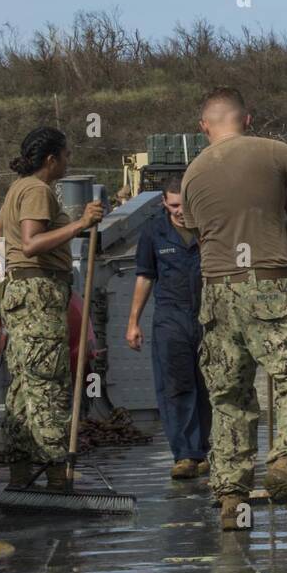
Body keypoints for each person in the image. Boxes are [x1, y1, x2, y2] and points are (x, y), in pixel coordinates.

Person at [180, 87, 287, 534]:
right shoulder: (276, 152)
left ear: (203, 127)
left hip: (215, 294)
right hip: (268, 283)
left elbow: (197, 234)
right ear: (247, 118)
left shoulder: (191, 173)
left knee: (228, 397)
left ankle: (231, 500)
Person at [0, 127, 102, 488]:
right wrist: (81, 225)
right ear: (51, 159)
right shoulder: (38, 190)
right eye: (66, 155)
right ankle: (57, 475)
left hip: (20, 291)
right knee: (49, 382)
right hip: (40, 292)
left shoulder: (17, 189)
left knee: (23, 387)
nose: (69, 161)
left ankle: (20, 474)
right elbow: (31, 244)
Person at [125, 177, 212, 480]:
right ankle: (185, 454)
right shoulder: (153, 232)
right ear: (163, 203)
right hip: (170, 317)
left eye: (184, 204)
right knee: (176, 387)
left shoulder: (209, 226)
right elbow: (145, 276)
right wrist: (133, 322)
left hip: (209, 316)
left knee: (210, 385)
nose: (179, 211)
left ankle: (204, 449)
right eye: (173, 205)